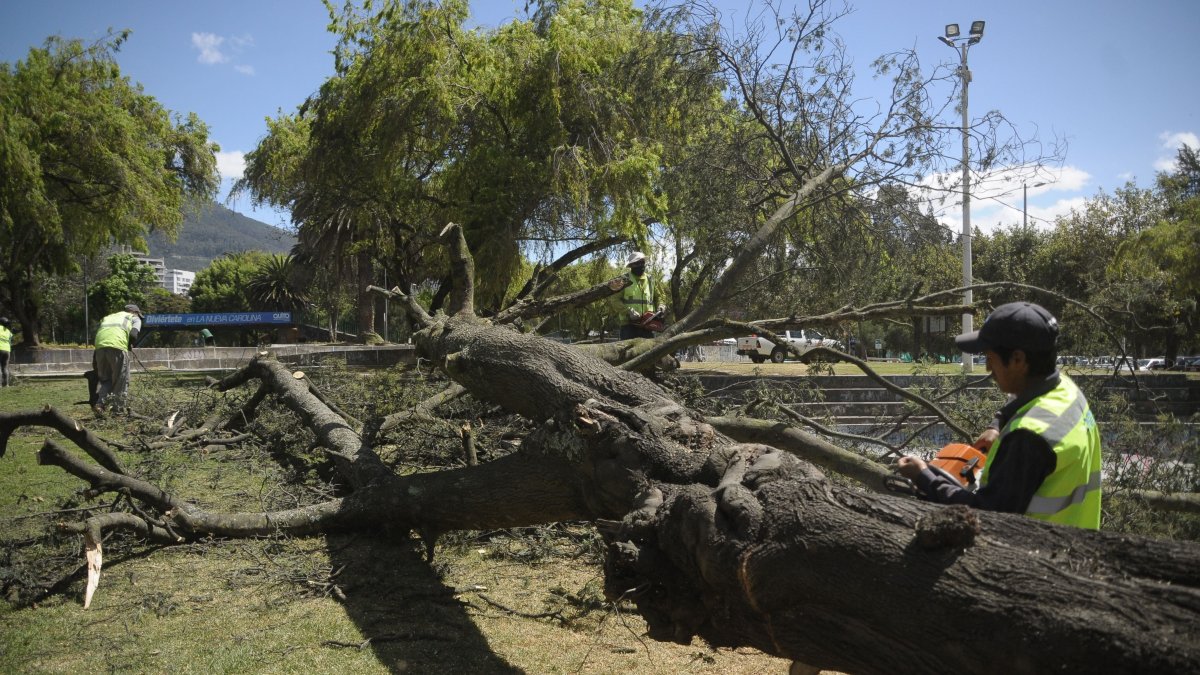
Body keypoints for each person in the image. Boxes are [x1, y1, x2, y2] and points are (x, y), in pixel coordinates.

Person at [896, 302, 1102, 529]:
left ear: (1017, 360)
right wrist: (997, 424)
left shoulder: (1028, 438)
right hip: (1077, 544)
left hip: (1036, 554)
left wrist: (925, 477)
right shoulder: (1065, 390)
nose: (987, 369)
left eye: (989, 357)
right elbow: (1021, 399)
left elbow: (985, 516)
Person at [93, 303, 143, 414]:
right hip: (118, 347)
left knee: (106, 379)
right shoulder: (134, 318)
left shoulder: (109, 317)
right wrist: (129, 344)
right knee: (122, 379)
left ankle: (100, 404)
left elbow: (100, 333)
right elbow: (134, 335)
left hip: (100, 348)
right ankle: (118, 411)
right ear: (135, 312)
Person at [610, 251, 665, 340]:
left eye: (642, 262)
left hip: (648, 326)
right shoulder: (622, 280)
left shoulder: (651, 280)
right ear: (631, 265)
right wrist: (629, 311)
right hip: (629, 327)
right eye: (637, 263)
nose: (641, 265)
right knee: (628, 354)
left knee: (650, 353)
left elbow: (660, 296)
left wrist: (661, 305)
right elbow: (614, 300)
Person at [0, 316, 12, 387]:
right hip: (7, 350)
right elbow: (10, 342)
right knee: (5, 367)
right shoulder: (9, 332)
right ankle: (6, 384)